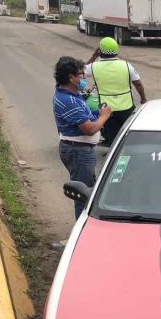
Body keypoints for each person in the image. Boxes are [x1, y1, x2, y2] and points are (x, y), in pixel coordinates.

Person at [53, 56, 111, 219]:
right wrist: (104, 117)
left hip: (78, 150)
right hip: (78, 152)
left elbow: (85, 117)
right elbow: (90, 129)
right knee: (84, 195)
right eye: (80, 75)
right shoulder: (68, 100)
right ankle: (82, 231)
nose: (84, 78)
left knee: (86, 191)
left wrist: (96, 114)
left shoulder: (73, 95)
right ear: (70, 77)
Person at [86, 37, 146, 146]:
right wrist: (143, 98)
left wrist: (94, 56)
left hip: (107, 109)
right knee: (128, 132)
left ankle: (114, 153)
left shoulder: (93, 67)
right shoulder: (126, 65)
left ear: (100, 51)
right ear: (116, 50)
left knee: (113, 135)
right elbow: (138, 83)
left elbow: (80, 71)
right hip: (126, 107)